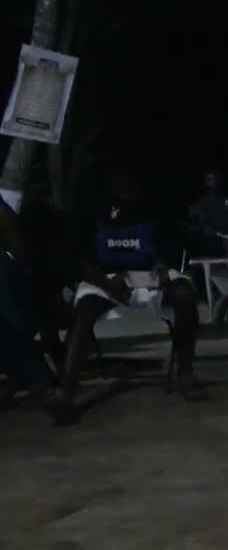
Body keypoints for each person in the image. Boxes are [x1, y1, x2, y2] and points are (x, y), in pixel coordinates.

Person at [47, 171, 205, 424]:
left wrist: (163, 266)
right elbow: (80, 259)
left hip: (146, 274)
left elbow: (167, 246)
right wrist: (106, 282)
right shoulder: (91, 213)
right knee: (85, 312)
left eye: (131, 185)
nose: (126, 191)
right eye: (121, 186)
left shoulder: (151, 210)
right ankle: (66, 391)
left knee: (185, 296)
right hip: (106, 277)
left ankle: (186, 372)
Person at [0, 196, 54, 406]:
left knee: (10, 323)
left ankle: (38, 383)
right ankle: (25, 379)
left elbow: (18, 251)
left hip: (12, 290)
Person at [190, 169, 228, 257]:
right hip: (213, 235)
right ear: (206, 182)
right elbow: (204, 224)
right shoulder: (202, 201)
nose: (213, 182)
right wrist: (216, 233)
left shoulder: (226, 198)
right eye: (210, 179)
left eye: (215, 179)